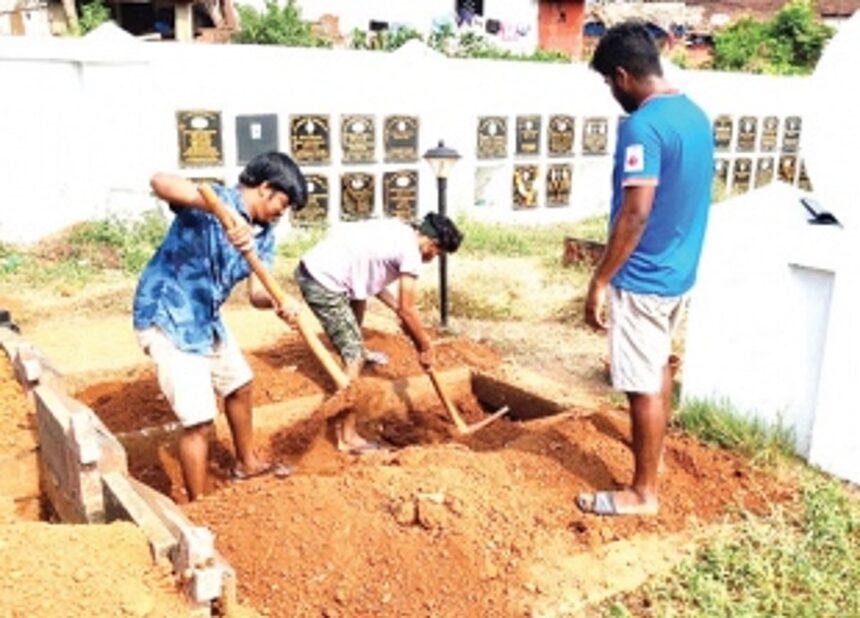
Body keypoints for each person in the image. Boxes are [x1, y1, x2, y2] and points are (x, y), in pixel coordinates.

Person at [578, 22, 714, 516]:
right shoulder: (695, 116)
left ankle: (641, 493)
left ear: (623, 75)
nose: (612, 93)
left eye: (609, 83)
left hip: (644, 276)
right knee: (656, 369)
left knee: (640, 383)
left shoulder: (643, 126)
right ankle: (652, 465)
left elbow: (636, 211)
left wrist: (601, 278)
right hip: (680, 272)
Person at [133, 151, 307, 501]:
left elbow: (258, 291)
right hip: (167, 315)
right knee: (198, 421)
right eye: (282, 203)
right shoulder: (212, 200)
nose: (281, 213)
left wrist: (280, 303)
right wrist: (222, 213)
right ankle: (202, 506)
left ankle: (247, 463)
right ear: (265, 188)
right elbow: (159, 181)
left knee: (239, 385)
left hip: (205, 318)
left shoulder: (264, 234)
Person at [295, 212, 463, 454]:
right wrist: (425, 345)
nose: (433, 258)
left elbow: (374, 278)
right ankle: (347, 437)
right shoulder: (411, 253)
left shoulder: (399, 230)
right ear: (431, 243)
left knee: (359, 305)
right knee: (354, 356)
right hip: (323, 282)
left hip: (316, 268)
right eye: (437, 253)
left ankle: (354, 346)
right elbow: (408, 308)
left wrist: (398, 309)